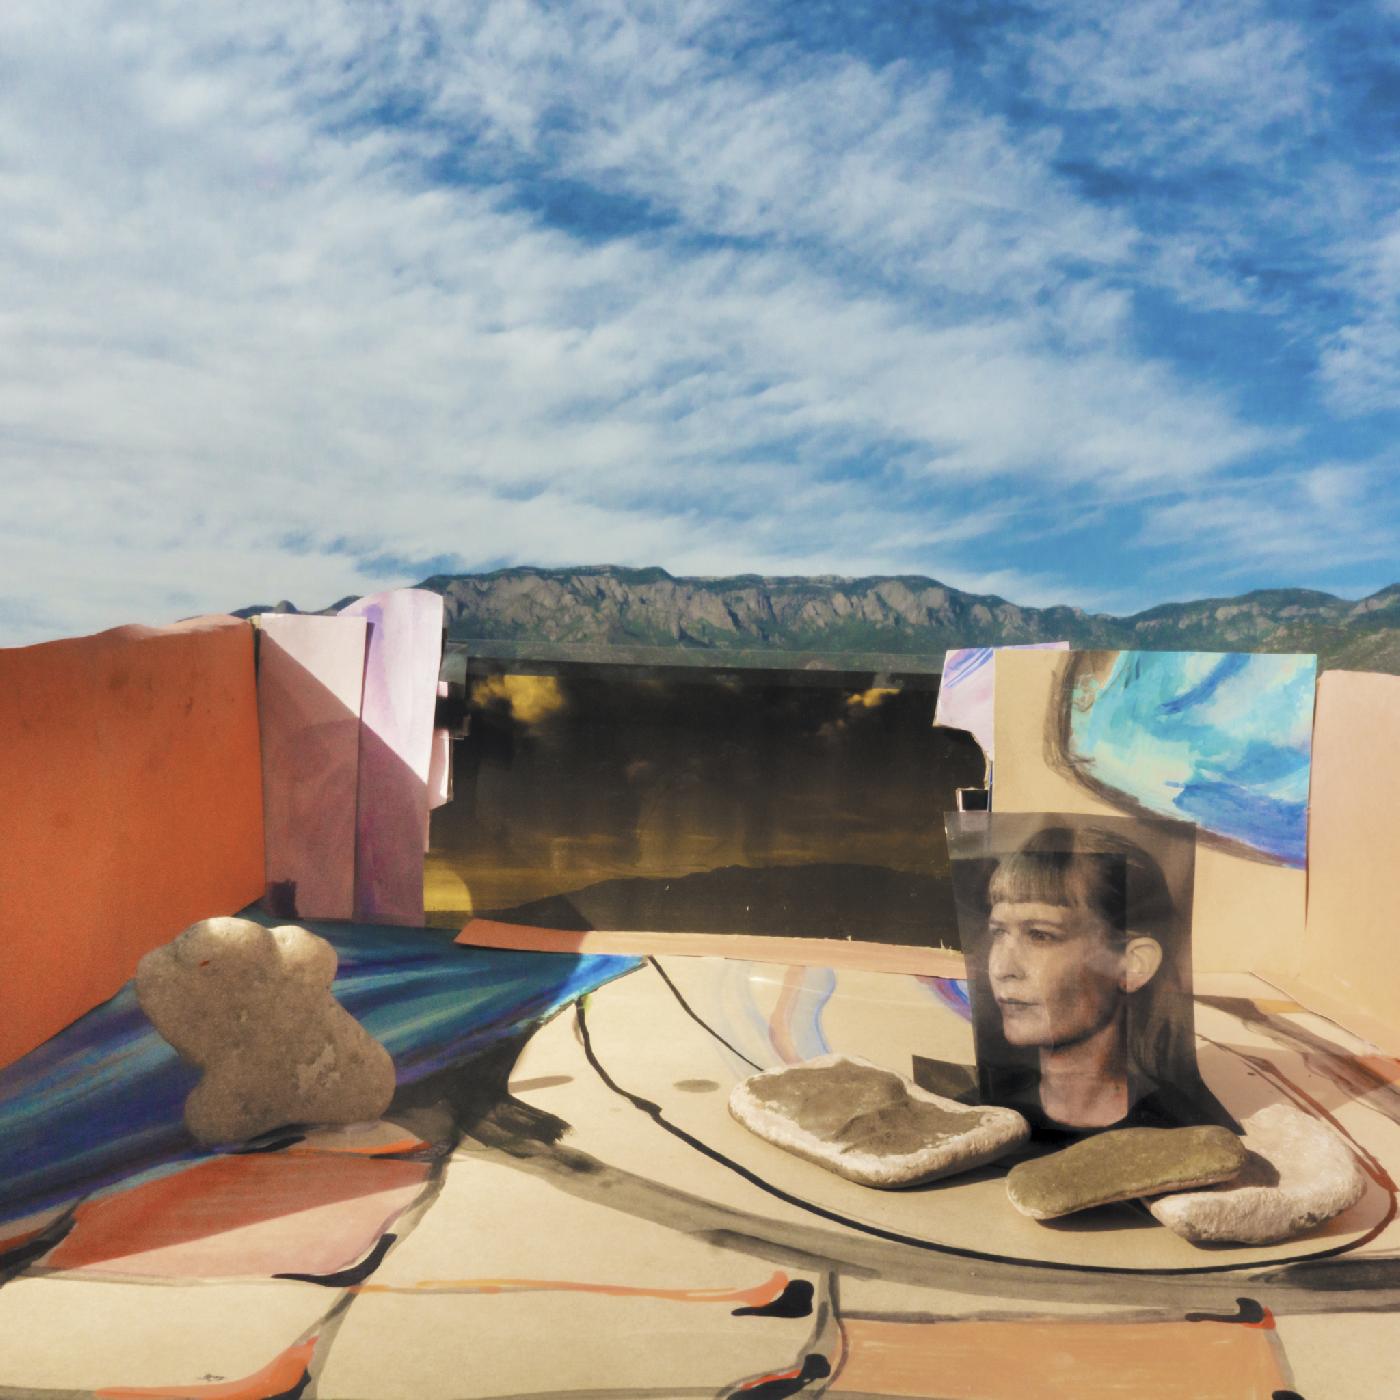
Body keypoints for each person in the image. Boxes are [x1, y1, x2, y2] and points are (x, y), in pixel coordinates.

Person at [974, 823, 1209, 1132]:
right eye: (998, 932)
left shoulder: (1182, 1131)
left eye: (1040, 935)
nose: (1001, 968)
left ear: (1133, 965)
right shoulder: (978, 1118)